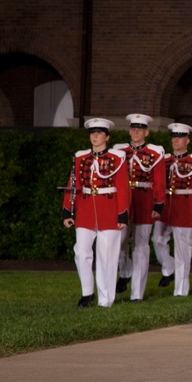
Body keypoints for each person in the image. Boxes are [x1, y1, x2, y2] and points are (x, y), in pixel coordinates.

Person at [62, 118, 130, 308]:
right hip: (85, 212)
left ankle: (105, 299)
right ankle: (87, 293)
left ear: (107, 137)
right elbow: (73, 185)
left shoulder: (118, 158)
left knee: (107, 256)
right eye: (93, 133)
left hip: (109, 212)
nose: (95, 136)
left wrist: (122, 214)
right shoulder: (80, 158)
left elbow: (123, 188)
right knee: (81, 252)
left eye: (99, 133)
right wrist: (67, 211)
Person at [113, 113, 166, 302]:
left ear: (147, 132)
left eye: (140, 129)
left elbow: (159, 180)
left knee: (141, 246)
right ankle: (125, 272)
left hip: (144, 199)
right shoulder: (119, 152)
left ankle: (137, 293)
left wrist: (159, 204)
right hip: (124, 200)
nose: (136, 132)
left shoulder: (154, 153)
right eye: (133, 129)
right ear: (129, 131)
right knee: (118, 242)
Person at [162, 123, 192, 296]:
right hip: (172, 209)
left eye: (180, 137)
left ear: (187, 140)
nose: (176, 140)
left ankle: (181, 289)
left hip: (188, 209)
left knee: (185, 250)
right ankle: (179, 287)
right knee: (176, 248)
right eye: (174, 137)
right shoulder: (166, 161)